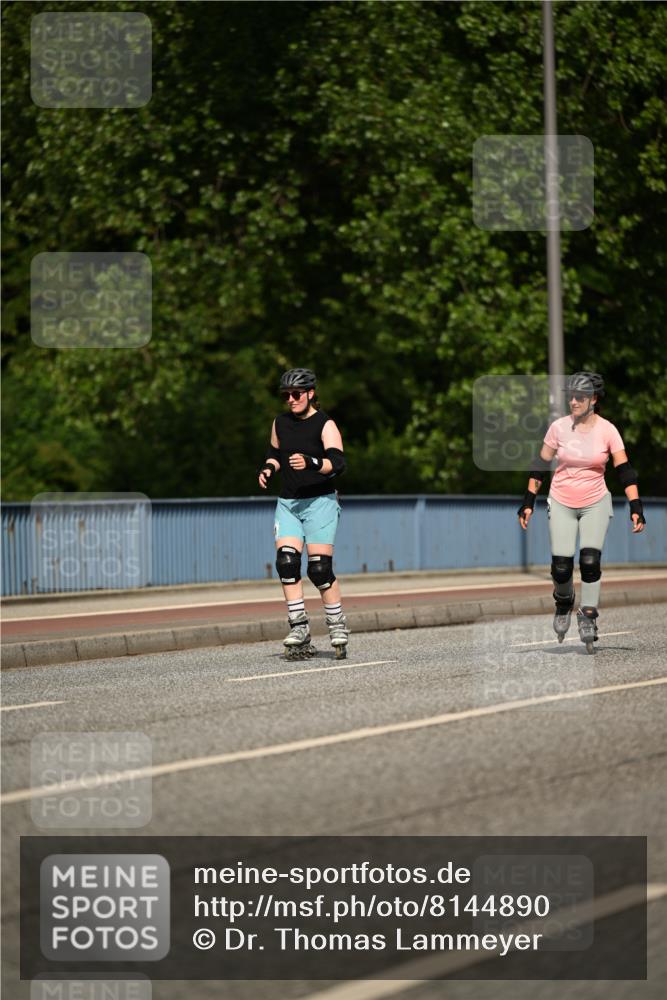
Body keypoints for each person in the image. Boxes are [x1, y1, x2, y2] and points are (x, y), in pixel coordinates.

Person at [517, 371, 646, 652]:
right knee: (561, 567)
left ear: (593, 399)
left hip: (595, 502)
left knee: (589, 560)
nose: (573, 401)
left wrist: (636, 506)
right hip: (561, 500)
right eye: (571, 397)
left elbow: (624, 470)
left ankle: (588, 614)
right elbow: (540, 465)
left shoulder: (608, 430)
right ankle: (564, 601)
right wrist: (528, 501)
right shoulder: (559, 428)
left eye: (580, 397)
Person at [258, 368, 349, 659]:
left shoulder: (325, 424)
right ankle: (299, 626)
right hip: (289, 503)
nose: (291, 399)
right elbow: (274, 453)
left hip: (319, 502)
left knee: (319, 569)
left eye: (296, 394)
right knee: (286, 562)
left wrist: (310, 462)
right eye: (286, 395)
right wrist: (269, 468)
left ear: (310, 393)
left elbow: (337, 464)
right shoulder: (280, 423)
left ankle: (336, 623)